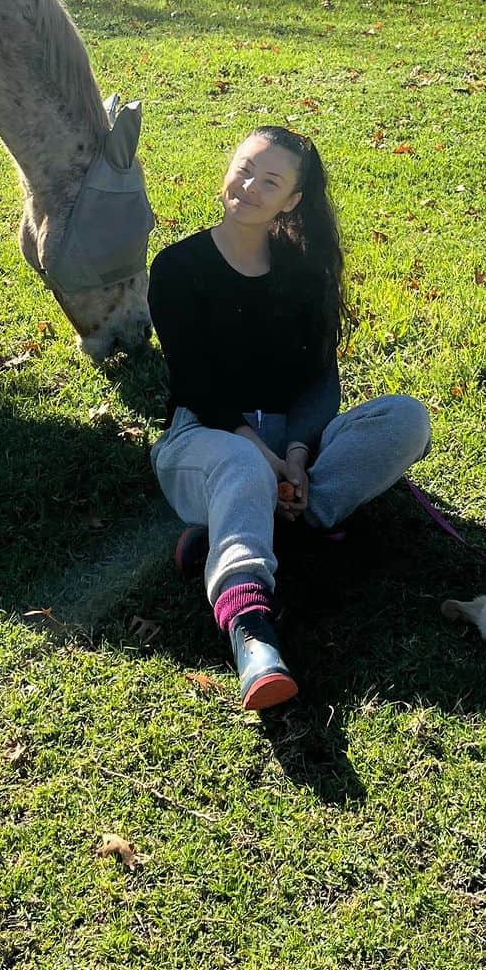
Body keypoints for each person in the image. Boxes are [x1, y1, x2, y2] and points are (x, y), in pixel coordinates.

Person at [147, 126, 431, 711]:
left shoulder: (302, 273)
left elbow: (319, 383)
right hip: (204, 439)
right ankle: (252, 631)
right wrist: (265, 455)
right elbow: (196, 385)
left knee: (406, 418)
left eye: (270, 181)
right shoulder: (178, 266)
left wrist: (298, 455)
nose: (249, 186)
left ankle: (271, 519)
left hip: (290, 444)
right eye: (244, 168)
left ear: (291, 201)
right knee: (240, 467)